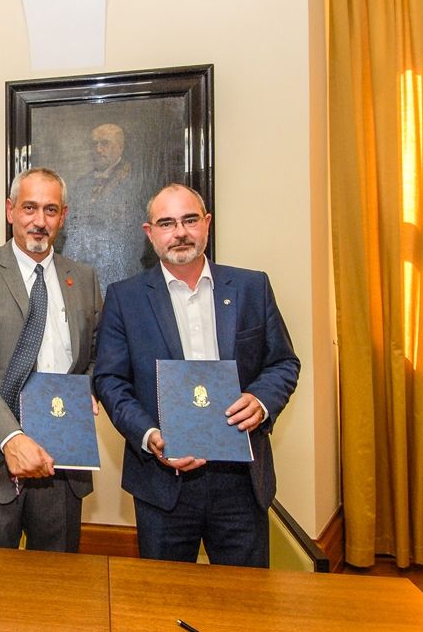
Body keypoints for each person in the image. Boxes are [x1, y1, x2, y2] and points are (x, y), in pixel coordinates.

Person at [93, 183, 300, 567]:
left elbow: (283, 363)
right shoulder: (124, 298)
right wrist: (150, 436)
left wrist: (261, 401)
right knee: (164, 596)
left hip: (241, 482)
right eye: (167, 223)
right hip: (162, 483)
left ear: (207, 223)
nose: (180, 232)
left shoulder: (252, 287)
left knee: (244, 596)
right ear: (150, 232)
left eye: (190, 220)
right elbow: (110, 381)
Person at [0, 167, 103, 552]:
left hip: (62, 464)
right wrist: (10, 438)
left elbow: (97, 356)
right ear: (10, 210)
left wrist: (90, 389)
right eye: (29, 208)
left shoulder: (83, 279)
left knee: (56, 581)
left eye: (51, 210)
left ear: (63, 216)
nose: (39, 221)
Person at [60, 123, 154, 291]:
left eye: (105, 143)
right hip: (81, 278)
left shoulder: (137, 181)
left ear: (120, 147)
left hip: (123, 275)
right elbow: (69, 229)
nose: (98, 149)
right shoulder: (81, 184)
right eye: (94, 144)